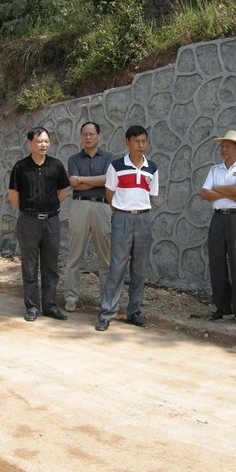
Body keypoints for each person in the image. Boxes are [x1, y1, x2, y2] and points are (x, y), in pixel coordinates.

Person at [95, 125, 159, 332]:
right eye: (136, 141)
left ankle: (134, 312)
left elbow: (151, 195)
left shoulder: (152, 168)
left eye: (144, 141)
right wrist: (121, 211)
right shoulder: (116, 166)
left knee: (139, 269)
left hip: (143, 219)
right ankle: (107, 313)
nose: (141, 145)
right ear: (127, 142)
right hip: (122, 218)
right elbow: (109, 194)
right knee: (117, 267)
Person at [8, 127, 70, 323]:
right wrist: (28, 210)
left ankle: (50, 306)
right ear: (30, 143)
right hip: (28, 222)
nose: (44, 145)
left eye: (46, 141)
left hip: (51, 221)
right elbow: (13, 194)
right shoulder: (20, 167)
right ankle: (32, 307)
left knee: (50, 266)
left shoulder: (56, 165)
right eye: (39, 141)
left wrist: (50, 206)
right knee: (30, 266)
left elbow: (64, 190)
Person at [200, 130, 236, 325]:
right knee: (217, 263)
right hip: (218, 218)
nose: (223, 149)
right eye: (222, 146)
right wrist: (229, 194)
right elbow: (204, 194)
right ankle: (222, 308)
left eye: (228, 146)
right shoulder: (215, 169)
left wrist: (217, 189)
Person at [64, 122, 114, 312]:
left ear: (99, 136)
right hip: (80, 206)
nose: (88, 137)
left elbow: (108, 180)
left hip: (103, 207)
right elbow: (74, 185)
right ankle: (71, 297)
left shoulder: (108, 158)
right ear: (81, 137)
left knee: (105, 257)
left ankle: (107, 300)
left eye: (92, 134)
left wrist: (82, 180)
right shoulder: (74, 159)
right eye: (85, 134)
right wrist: (97, 181)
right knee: (74, 255)